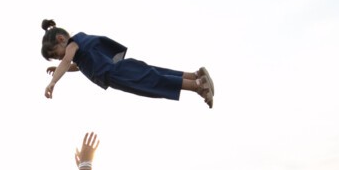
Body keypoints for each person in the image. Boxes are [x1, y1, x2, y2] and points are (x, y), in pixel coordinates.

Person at [41, 19, 214, 107]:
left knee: (153, 82)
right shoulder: (79, 51)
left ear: (61, 39)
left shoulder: (72, 45)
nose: (59, 59)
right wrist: (59, 68)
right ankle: (195, 75)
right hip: (119, 69)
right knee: (155, 73)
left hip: (116, 73)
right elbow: (75, 66)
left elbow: (66, 61)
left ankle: (199, 85)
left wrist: (53, 82)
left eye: (56, 55)